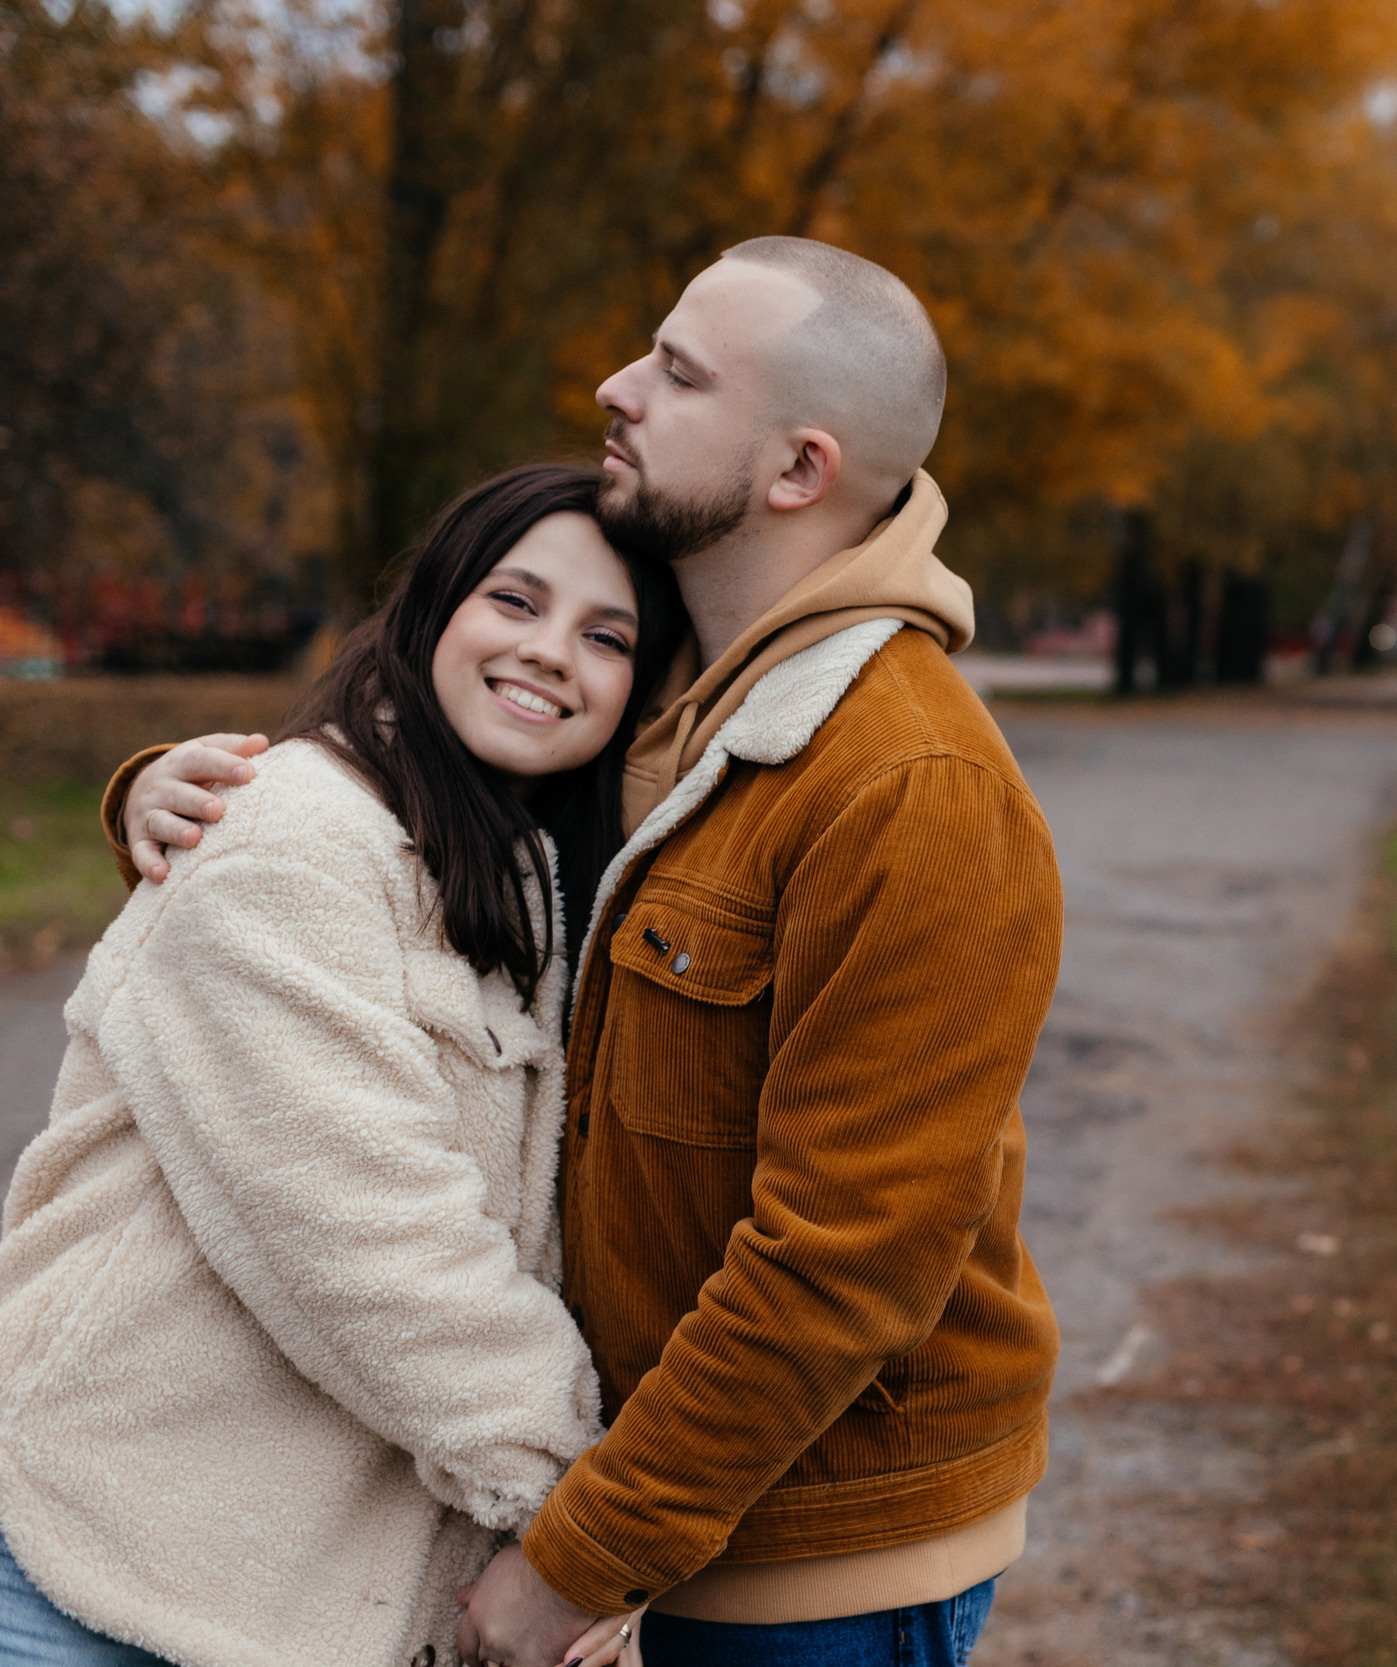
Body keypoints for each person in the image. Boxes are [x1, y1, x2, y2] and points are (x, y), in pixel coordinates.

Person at [115, 238, 1063, 1667]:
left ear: (797, 471)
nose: (617, 386)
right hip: (641, 1521)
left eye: (678, 372)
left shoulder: (907, 780)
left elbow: (846, 1260)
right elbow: (405, 827)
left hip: (807, 1564)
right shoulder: (672, 688)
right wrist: (169, 789)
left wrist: (577, 1555)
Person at [0, 464, 686, 1667]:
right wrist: (581, 1515)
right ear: (433, 606)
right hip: (97, 1561)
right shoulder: (292, 835)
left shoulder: (521, 873)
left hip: (276, 1586)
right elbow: (367, 1236)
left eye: (606, 634)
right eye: (514, 601)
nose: (550, 653)